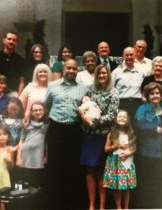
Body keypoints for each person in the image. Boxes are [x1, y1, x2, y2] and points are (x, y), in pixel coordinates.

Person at [43, 59, 89, 209]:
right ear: (63, 70)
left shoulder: (83, 89)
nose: (71, 71)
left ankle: (72, 202)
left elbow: (86, 109)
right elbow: (46, 105)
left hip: (74, 130)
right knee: (55, 165)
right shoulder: (52, 86)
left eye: (74, 69)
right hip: (56, 129)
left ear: (77, 70)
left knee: (73, 167)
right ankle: (54, 202)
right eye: (68, 68)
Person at [79, 64, 119, 210]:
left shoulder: (114, 92)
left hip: (103, 135)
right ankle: (91, 204)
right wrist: (85, 116)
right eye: (99, 73)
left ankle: (102, 205)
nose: (102, 75)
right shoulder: (90, 90)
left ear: (108, 75)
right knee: (90, 170)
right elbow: (83, 107)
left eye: (104, 73)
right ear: (96, 75)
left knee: (102, 170)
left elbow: (112, 115)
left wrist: (94, 122)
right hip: (89, 135)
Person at [135, 82, 162, 208]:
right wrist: (153, 128)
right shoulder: (142, 108)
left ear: (161, 95)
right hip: (150, 150)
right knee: (151, 178)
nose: (155, 96)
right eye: (152, 93)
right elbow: (138, 125)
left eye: (157, 93)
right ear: (147, 96)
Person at [103, 110, 136, 210]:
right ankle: (118, 207)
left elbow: (134, 148)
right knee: (117, 187)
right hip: (115, 162)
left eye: (124, 117)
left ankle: (126, 207)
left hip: (127, 162)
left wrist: (128, 153)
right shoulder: (112, 133)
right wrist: (117, 145)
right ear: (115, 119)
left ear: (128, 119)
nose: (122, 118)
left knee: (126, 187)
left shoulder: (130, 133)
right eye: (119, 116)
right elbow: (106, 149)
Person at [16, 102, 48, 191]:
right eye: (35, 110)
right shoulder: (26, 124)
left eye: (40, 110)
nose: (38, 112)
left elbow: (47, 142)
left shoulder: (47, 124)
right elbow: (21, 141)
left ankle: (34, 201)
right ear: (31, 112)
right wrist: (18, 158)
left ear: (44, 111)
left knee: (36, 181)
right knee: (23, 180)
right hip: (25, 154)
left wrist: (46, 156)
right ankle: (21, 199)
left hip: (38, 156)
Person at [112, 47, 144, 122]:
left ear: (135, 56)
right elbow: (111, 89)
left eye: (131, 55)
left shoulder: (140, 72)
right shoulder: (116, 72)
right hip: (122, 103)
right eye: (127, 55)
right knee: (122, 127)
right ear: (123, 56)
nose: (129, 57)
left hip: (137, 104)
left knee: (136, 128)